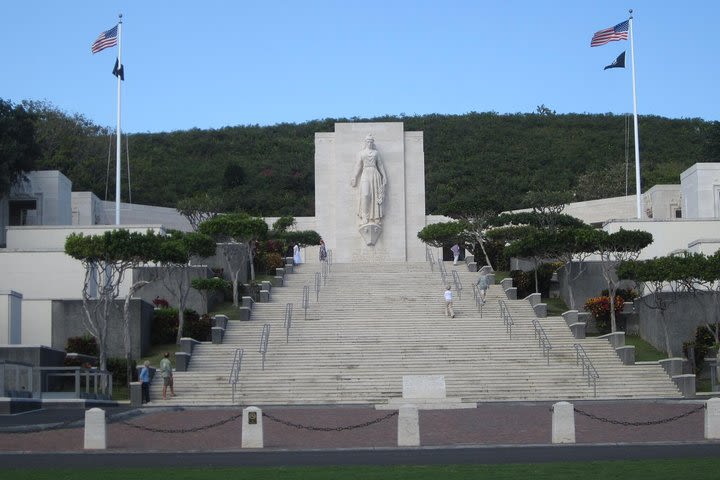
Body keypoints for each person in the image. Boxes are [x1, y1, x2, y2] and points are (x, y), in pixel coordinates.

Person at [350, 134, 387, 225]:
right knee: (365, 195)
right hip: (365, 173)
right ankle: (365, 217)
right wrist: (354, 176)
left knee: (375, 195)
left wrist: (384, 176)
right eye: (368, 141)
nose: (369, 143)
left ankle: (376, 217)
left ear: (373, 143)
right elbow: (358, 165)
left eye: (371, 141)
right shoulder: (361, 153)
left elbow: (380, 165)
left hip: (375, 174)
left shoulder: (376, 153)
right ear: (365, 142)